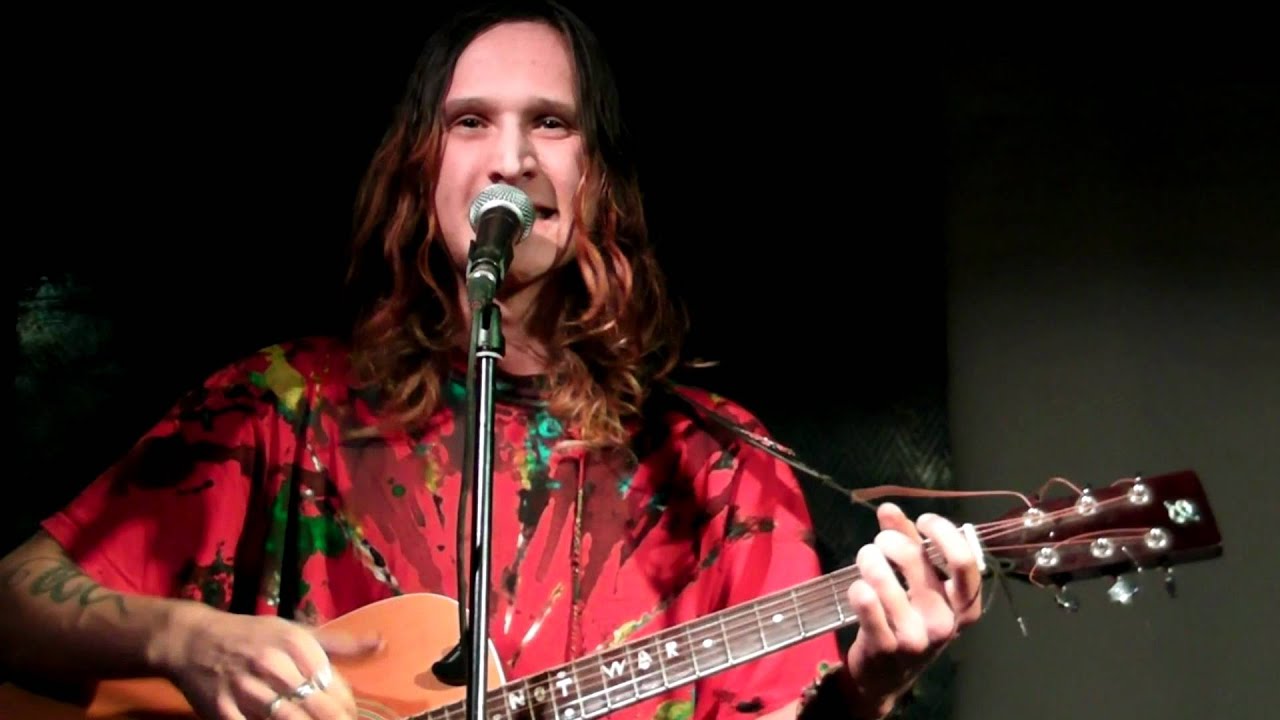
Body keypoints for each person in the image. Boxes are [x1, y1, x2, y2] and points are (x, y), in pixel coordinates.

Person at [0, 2, 983, 718]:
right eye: (470, 121)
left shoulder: (718, 471)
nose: (511, 159)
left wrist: (868, 689)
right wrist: (182, 636)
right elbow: (13, 599)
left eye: (550, 123)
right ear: (422, 169)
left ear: (598, 177)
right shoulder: (281, 407)